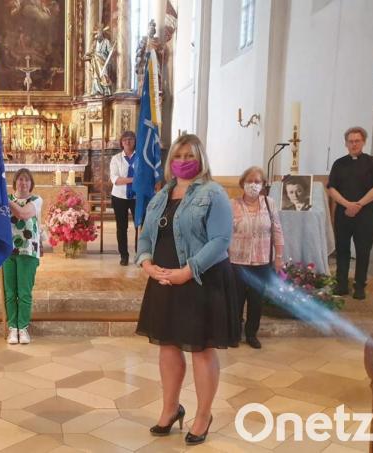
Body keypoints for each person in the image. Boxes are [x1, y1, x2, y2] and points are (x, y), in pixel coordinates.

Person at [135, 134, 239, 446]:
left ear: (200, 158)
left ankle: (203, 414)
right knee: (168, 347)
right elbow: (146, 235)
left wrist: (187, 271)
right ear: (171, 162)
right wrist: (147, 264)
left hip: (200, 280)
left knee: (201, 350)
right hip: (165, 280)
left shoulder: (214, 193)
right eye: (178, 156)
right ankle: (170, 409)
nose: (182, 161)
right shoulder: (161, 195)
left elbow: (220, 241)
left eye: (189, 155)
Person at [229, 167, 284, 349]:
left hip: (261, 260)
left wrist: (279, 257)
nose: (253, 185)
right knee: (236, 300)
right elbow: (226, 233)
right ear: (242, 183)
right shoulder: (232, 204)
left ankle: (252, 334)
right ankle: (235, 333)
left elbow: (277, 230)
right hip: (237, 260)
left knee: (256, 300)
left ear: (263, 184)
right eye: (250, 181)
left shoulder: (269, 203)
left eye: (257, 181)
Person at [327, 126, 373, 299]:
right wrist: (347, 205)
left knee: (363, 250)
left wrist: (358, 204)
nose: (354, 144)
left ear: (363, 142)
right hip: (343, 213)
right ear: (346, 143)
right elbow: (331, 188)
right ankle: (341, 285)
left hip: (365, 213)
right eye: (350, 141)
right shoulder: (339, 163)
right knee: (342, 249)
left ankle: (360, 286)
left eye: (357, 141)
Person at [3, 169, 43, 345]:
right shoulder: (6, 200)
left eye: (27, 180)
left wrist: (4, 199)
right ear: (15, 183)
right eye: (20, 179)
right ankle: (13, 328)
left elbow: (23, 214)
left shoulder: (36, 200)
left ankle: (23, 328)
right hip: (7, 250)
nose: (23, 183)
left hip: (28, 251)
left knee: (24, 292)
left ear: (31, 184)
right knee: (10, 292)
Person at [109, 130, 137, 266]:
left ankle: (140, 254)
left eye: (130, 139)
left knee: (140, 226)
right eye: (125, 139)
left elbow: (144, 176)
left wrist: (128, 180)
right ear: (121, 142)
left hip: (137, 197)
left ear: (135, 141)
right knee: (122, 227)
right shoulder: (116, 159)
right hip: (119, 196)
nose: (127, 141)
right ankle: (124, 255)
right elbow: (115, 179)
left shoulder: (141, 158)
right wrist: (134, 179)